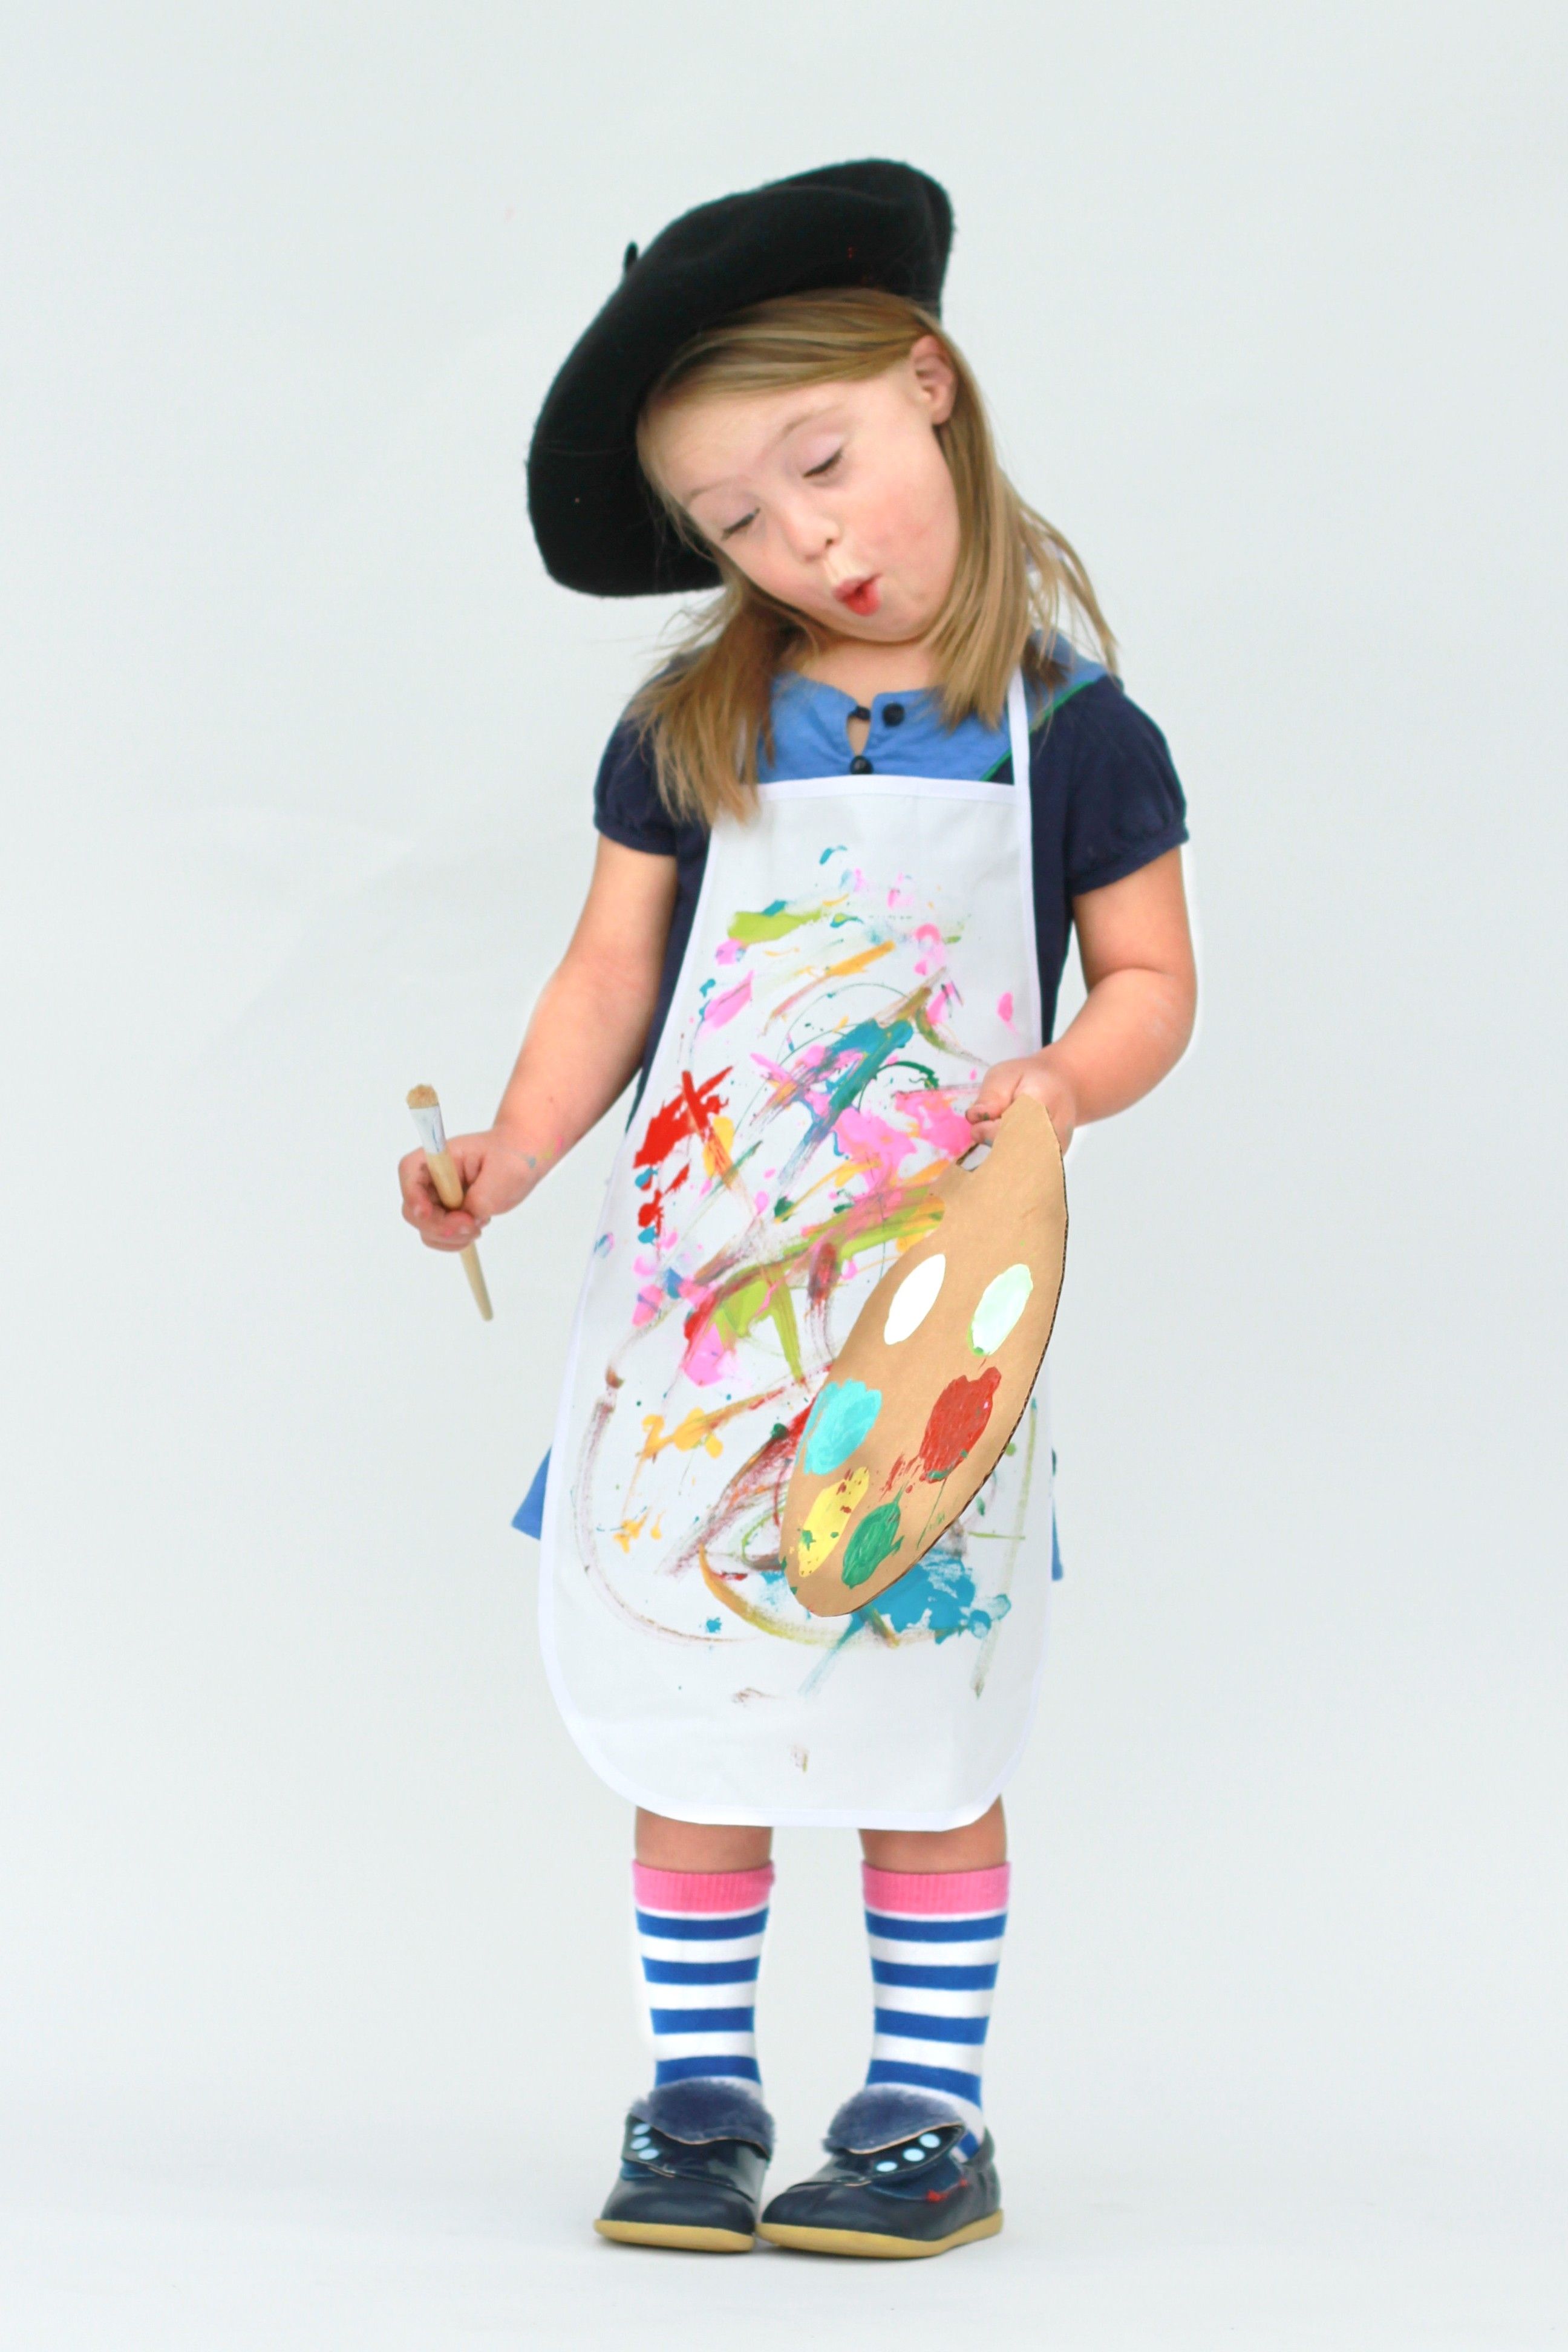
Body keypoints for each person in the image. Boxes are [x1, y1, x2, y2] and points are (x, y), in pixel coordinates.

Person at [398, 160, 1197, 2259]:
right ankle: (699, 2098)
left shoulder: (1073, 735)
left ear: (929, 383)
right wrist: (512, 1151)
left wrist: (1062, 1085)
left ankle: (930, 2111)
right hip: (701, 1307)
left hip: (926, 1313)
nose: (807, 542)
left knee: (922, 1706)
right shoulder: (694, 730)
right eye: (737, 522)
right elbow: (611, 978)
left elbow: (1150, 981)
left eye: (823, 465)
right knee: (692, 1704)